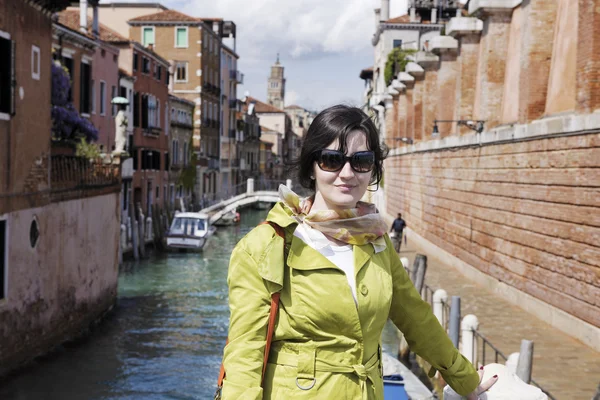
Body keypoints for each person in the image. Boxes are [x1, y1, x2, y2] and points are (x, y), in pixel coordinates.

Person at [220, 105, 497, 399]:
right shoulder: (266, 244)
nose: (347, 173)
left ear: (372, 168)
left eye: (361, 161)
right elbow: (245, 351)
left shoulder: (375, 240)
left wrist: (465, 379)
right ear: (311, 166)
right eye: (332, 160)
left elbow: (417, 319)